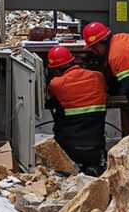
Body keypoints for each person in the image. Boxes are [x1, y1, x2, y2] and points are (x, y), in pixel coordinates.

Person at [45, 44, 108, 175]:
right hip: (95, 147)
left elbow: (49, 95)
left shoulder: (57, 83)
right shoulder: (98, 76)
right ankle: (93, 168)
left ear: (55, 70)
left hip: (68, 148)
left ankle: (71, 170)